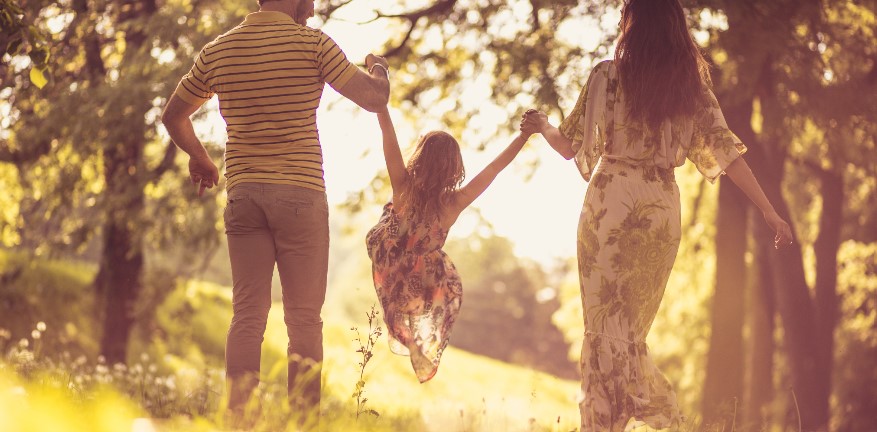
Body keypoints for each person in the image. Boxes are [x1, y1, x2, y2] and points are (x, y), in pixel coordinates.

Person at [521, 0, 794, 430]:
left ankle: (647, 419)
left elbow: (569, 145)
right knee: (627, 335)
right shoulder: (690, 89)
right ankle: (642, 419)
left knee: (604, 331)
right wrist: (770, 212)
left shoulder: (606, 77)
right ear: (675, 29)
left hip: (609, 204)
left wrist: (542, 124)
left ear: (631, 23)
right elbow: (728, 155)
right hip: (660, 209)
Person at [160, 0, 390, 420]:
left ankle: (238, 423)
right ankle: (303, 425)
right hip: (300, 194)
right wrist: (379, 68)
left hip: (244, 193)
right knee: (303, 320)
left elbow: (173, 116)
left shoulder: (219, 50)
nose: (315, 8)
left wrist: (201, 158)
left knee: (247, 313)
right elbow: (375, 99)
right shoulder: (313, 44)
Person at [365, 108, 533, 383]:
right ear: (454, 169)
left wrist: (381, 104)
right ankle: (416, 342)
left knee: (409, 252)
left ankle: (411, 338)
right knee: (437, 267)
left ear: (419, 157)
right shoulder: (454, 203)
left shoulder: (402, 188)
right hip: (420, 278)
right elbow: (494, 169)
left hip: (391, 264)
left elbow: (388, 136)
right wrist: (523, 137)